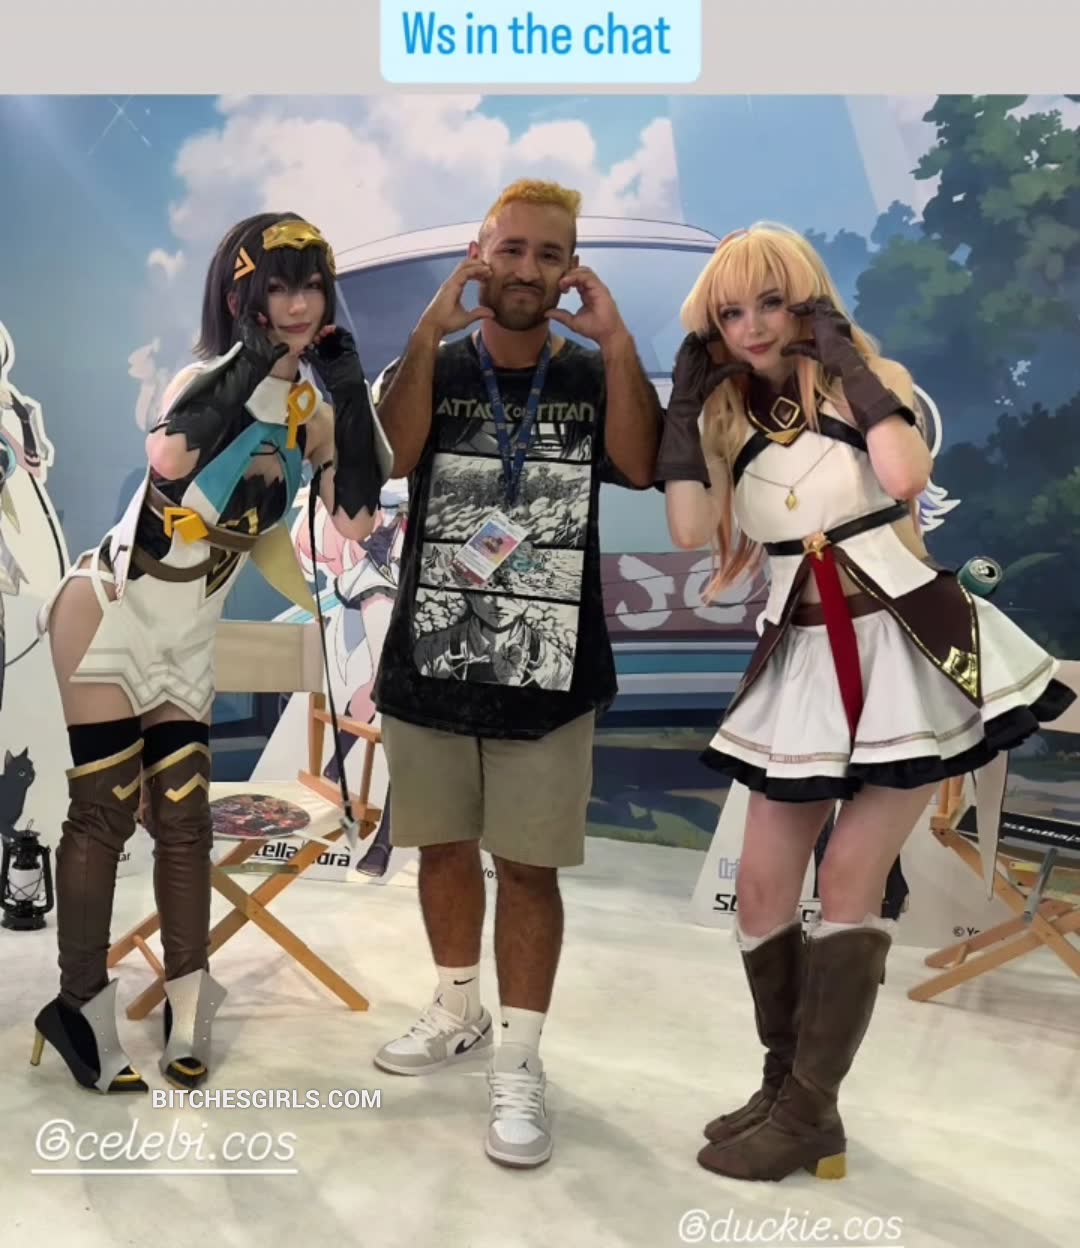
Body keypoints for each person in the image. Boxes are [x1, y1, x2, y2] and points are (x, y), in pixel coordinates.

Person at [656, 222, 1075, 1182]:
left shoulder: (869, 385)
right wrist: (683, 406)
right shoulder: (727, 418)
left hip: (910, 647)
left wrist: (843, 362)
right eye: (731, 312)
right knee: (762, 889)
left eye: (772, 302)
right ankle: (784, 1086)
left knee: (849, 875)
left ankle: (810, 1110)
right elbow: (687, 527)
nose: (754, 326)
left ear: (807, 300)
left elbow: (905, 477)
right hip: (801, 658)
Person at [31, 212, 390, 1094]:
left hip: (186, 630)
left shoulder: (311, 412)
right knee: (105, 811)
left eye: (312, 286)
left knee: (185, 818)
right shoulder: (204, 377)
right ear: (243, 297)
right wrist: (254, 359)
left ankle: (190, 995)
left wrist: (348, 393)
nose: (299, 304)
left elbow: (356, 521)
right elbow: (168, 456)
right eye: (279, 287)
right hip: (111, 609)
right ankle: (78, 1004)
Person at [369, 178, 662, 1167]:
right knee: (444, 849)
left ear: (571, 268)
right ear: (479, 253)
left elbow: (639, 463)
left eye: (549, 253)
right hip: (432, 657)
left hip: (552, 671)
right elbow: (394, 455)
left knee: (529, 869)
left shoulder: (590, 372)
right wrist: (426, 330)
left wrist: (618, 341)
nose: (528, 268)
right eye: (512, 248)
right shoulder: (435, 361)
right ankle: (459, 1010)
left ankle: (520, 1057)